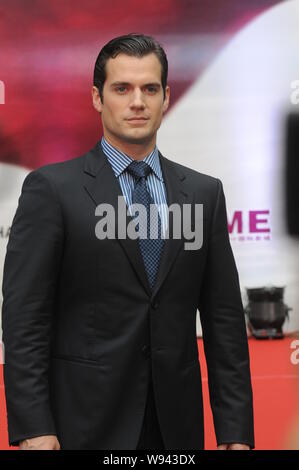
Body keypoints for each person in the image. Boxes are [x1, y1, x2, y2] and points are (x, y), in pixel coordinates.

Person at [1, 33, 254, 450]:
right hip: (81, 425)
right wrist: (32, 427)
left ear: (166, 97)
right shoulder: (52, 190)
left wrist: (235, 431)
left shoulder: (204, 194)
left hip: (176, 427)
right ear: (98, 98)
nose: (138, 101)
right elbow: (25, 320)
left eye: (149, 88)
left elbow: (224, 324)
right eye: (122, 88)